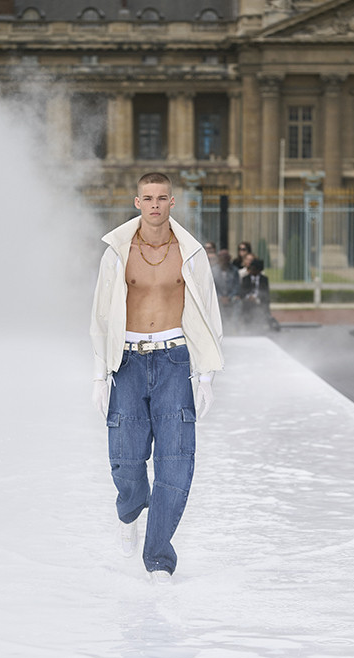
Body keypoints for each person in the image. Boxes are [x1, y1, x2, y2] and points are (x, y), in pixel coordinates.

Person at [90, 172, 224, 584]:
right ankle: (131, 510)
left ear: (171, 202)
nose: (154, 205)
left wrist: (206, 375)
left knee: (176, 464)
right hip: (128, 362)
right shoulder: (117, 253)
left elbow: (208, 311)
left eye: (161, 198)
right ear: (137, 202)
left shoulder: (190, 253)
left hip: (174, 361)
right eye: (147, 198)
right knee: (126, 461)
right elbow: (101, 315)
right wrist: (100, 376)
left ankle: (159, 558)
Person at [239, 258, 280, 331]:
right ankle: (247, 325)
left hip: (260, 301)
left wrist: (256, 298)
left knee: (263, 305)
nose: (252, 270)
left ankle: (263, 324)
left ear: (258, 270)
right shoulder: (245, 279)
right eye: (251, 268)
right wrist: (249, 297)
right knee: (246, 305)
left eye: (254, 269)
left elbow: (265, 292)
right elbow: (242, 292)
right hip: (248, 302)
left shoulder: (264, 279)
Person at [212, 249, 241, 334]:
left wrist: (229, 297)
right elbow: (212, 287)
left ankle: (233, 326)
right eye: (222, 258)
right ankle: (220, 327)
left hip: (231, 296)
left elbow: (236, 286)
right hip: (218, 297)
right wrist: (220, 297)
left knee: (238, 302)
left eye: (225, 258)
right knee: (216, 303)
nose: (223, 260)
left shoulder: (234, 270)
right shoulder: (213, 270)